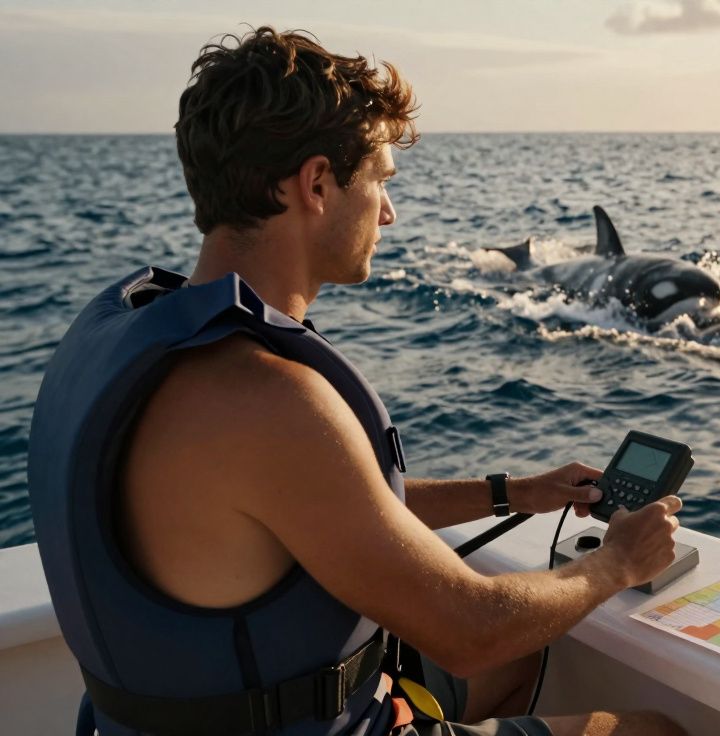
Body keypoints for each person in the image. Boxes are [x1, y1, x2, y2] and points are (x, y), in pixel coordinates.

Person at [28, 26, 685, 736]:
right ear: (316, 185)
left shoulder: (120, 337)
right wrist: (617, 563)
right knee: (658, 731)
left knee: (528, 656)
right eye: (380, 181)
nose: (390, 213)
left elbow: (326, 506)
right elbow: (469, 633)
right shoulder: (266, 399)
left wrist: (511, 494)